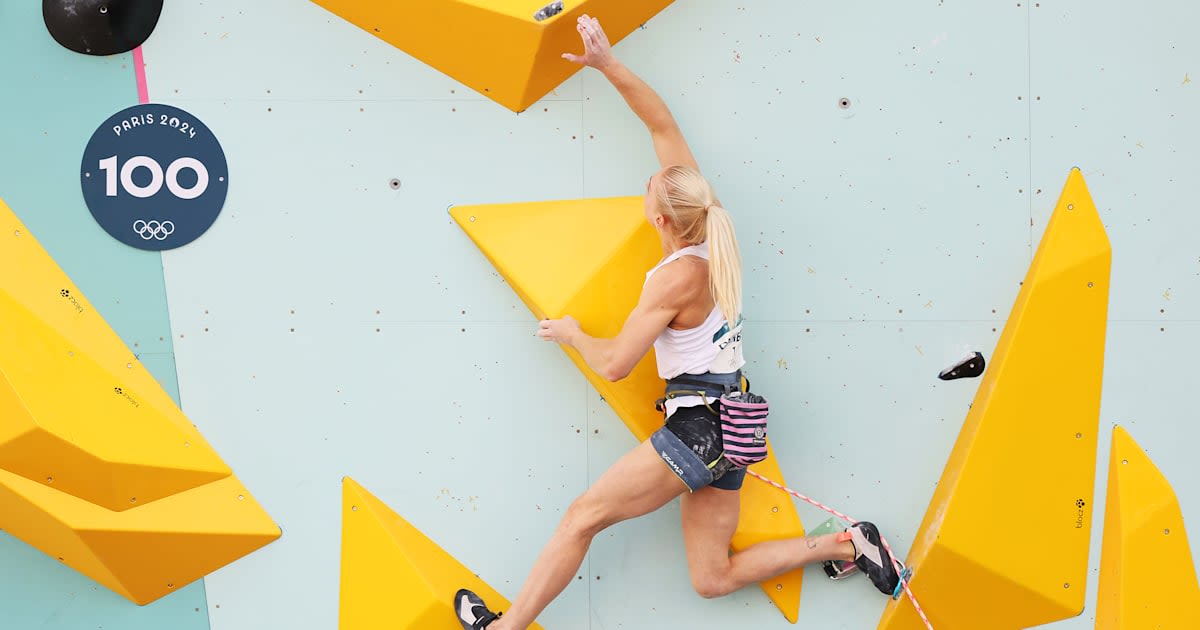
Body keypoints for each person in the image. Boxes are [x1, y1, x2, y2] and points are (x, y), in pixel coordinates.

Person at [455, 15, 900, 630]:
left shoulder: (674, 279)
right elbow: (661, 124)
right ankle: (850, 545)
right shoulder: (713, 224)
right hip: (735, 426)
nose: (649, 179)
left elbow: (615, 366)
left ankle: (505, 629)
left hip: (701, 431)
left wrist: (574, 332)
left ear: (662, 220)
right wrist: (607, 66)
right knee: (711, 577)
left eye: (651, 187)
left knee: (582, 517)